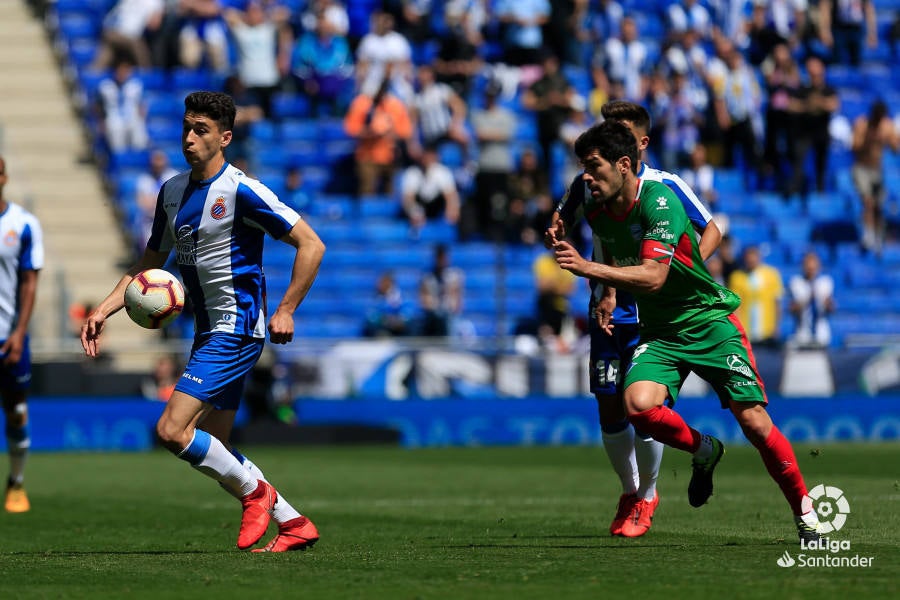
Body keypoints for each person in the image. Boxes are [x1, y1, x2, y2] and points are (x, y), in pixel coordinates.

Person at [548, 118, 821, 543]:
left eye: (594, 166)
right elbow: (592, 228)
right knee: (637, 405)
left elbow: (654, 276)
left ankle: (806, 514)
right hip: (660, 332)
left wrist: (588, 269)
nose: (586, 176)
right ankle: (704, 449)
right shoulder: (598, 208)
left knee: (754, 423)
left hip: (708, 322)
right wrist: (595, 273)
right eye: (583, 167)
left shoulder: (660, 200)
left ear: (624, 164)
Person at [80, 92, 326, 552]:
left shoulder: (242, 191)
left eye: (201, 130)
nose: (189, 138)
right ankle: (293, 523)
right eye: (186, 128)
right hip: (207, 331)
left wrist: (287, 309)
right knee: (215, 444)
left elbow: (311, 244)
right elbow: (149, 263)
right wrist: (103, 310)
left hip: (237, 328)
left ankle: (257, 495)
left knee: (171, 431)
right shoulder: (172, 192)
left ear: (225, 138)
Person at [547, 101, 721, 538]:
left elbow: (712, 229)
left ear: (639, 145)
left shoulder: (665, 187)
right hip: (607, 309)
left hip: (650, 311)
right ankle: (630, 491)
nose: (612, 140)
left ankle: (648, 494)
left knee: (642, 407)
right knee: (608, 404)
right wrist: (557, 228)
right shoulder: (591, 183)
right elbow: (568, 218)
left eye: (621, 134)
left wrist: (681, 272)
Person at [0, 155, 43, 513]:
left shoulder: (23, 224)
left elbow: (30, 283)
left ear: (4, 178)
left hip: (8, 336)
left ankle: (16, 481)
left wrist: (20, 332)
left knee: (15, 410)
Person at [343, 75, 414, 197]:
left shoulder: (395, 105)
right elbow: (351, 129)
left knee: (390, 192)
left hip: (391, 156)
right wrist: (371, 132)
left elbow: (406, 131)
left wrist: (390, 133)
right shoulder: (362, 103)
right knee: (367, 191)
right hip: (367, 156)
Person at [851, 99, 900, 255]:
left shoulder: (886, 126)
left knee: (879, 206)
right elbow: (854, 147)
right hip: (861, 168)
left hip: (877, 170)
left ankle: (878, 236)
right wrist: (870, 139)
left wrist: (891, 140)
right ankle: (868, 233)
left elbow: (895, 148)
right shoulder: (862, 125)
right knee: (868, 201)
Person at [727, 245, 784, 348]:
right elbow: (735, 307)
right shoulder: (737, 277)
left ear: (759, 257)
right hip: (746, 331)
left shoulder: (771, 274)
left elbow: (777, 302)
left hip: (767, 331)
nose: (751, 260)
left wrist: (776, 326)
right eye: (749, 257)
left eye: (754, 256)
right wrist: (737, 328)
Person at [399, 145, 461, 228]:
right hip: (419, 209)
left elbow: (451, 196)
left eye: (431, 157)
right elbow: (408, 198)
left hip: (437, 209)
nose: (428, 160)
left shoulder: (443, 172)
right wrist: (414, 212)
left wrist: (452, 211)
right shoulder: (411, 172)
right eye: (426, 157)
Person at [787, 251, 835, 348]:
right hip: (802, 334)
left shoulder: (825, 282)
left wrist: (828, 304)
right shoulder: (796, 282)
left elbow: (830, 309)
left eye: (813, 268)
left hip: (821, 334)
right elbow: (793, 309)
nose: (811, 271)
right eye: (808, 268)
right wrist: (809, 297)